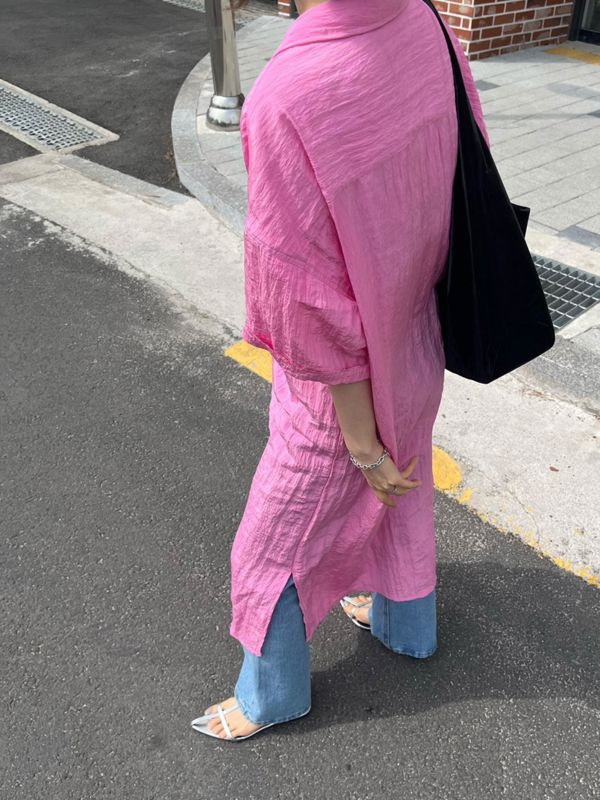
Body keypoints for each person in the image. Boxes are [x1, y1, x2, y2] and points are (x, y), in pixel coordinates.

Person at [191, 0, 490, 741]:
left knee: (271, 547)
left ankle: (272, 696)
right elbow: (467, 158)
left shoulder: (288, 95)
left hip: (338, 394)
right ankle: (405, 622)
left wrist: (361, 444)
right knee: (405, 489)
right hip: (417, 339)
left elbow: (303, 295)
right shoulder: (425, 22)